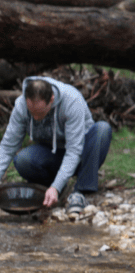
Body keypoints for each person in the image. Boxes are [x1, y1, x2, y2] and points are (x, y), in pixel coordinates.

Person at [0, 76, 112, 216]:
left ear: (51, 99)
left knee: (102, 129)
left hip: (83, 154)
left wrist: (56, 187)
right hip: (52, 156)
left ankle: (80, 192)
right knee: (23, 160)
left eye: (39, 112)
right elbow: (7, 146)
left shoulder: (71, 101)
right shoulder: (21, 105)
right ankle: (51, 188)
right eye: (31, 112)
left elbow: (74, 150)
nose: (35, 117)